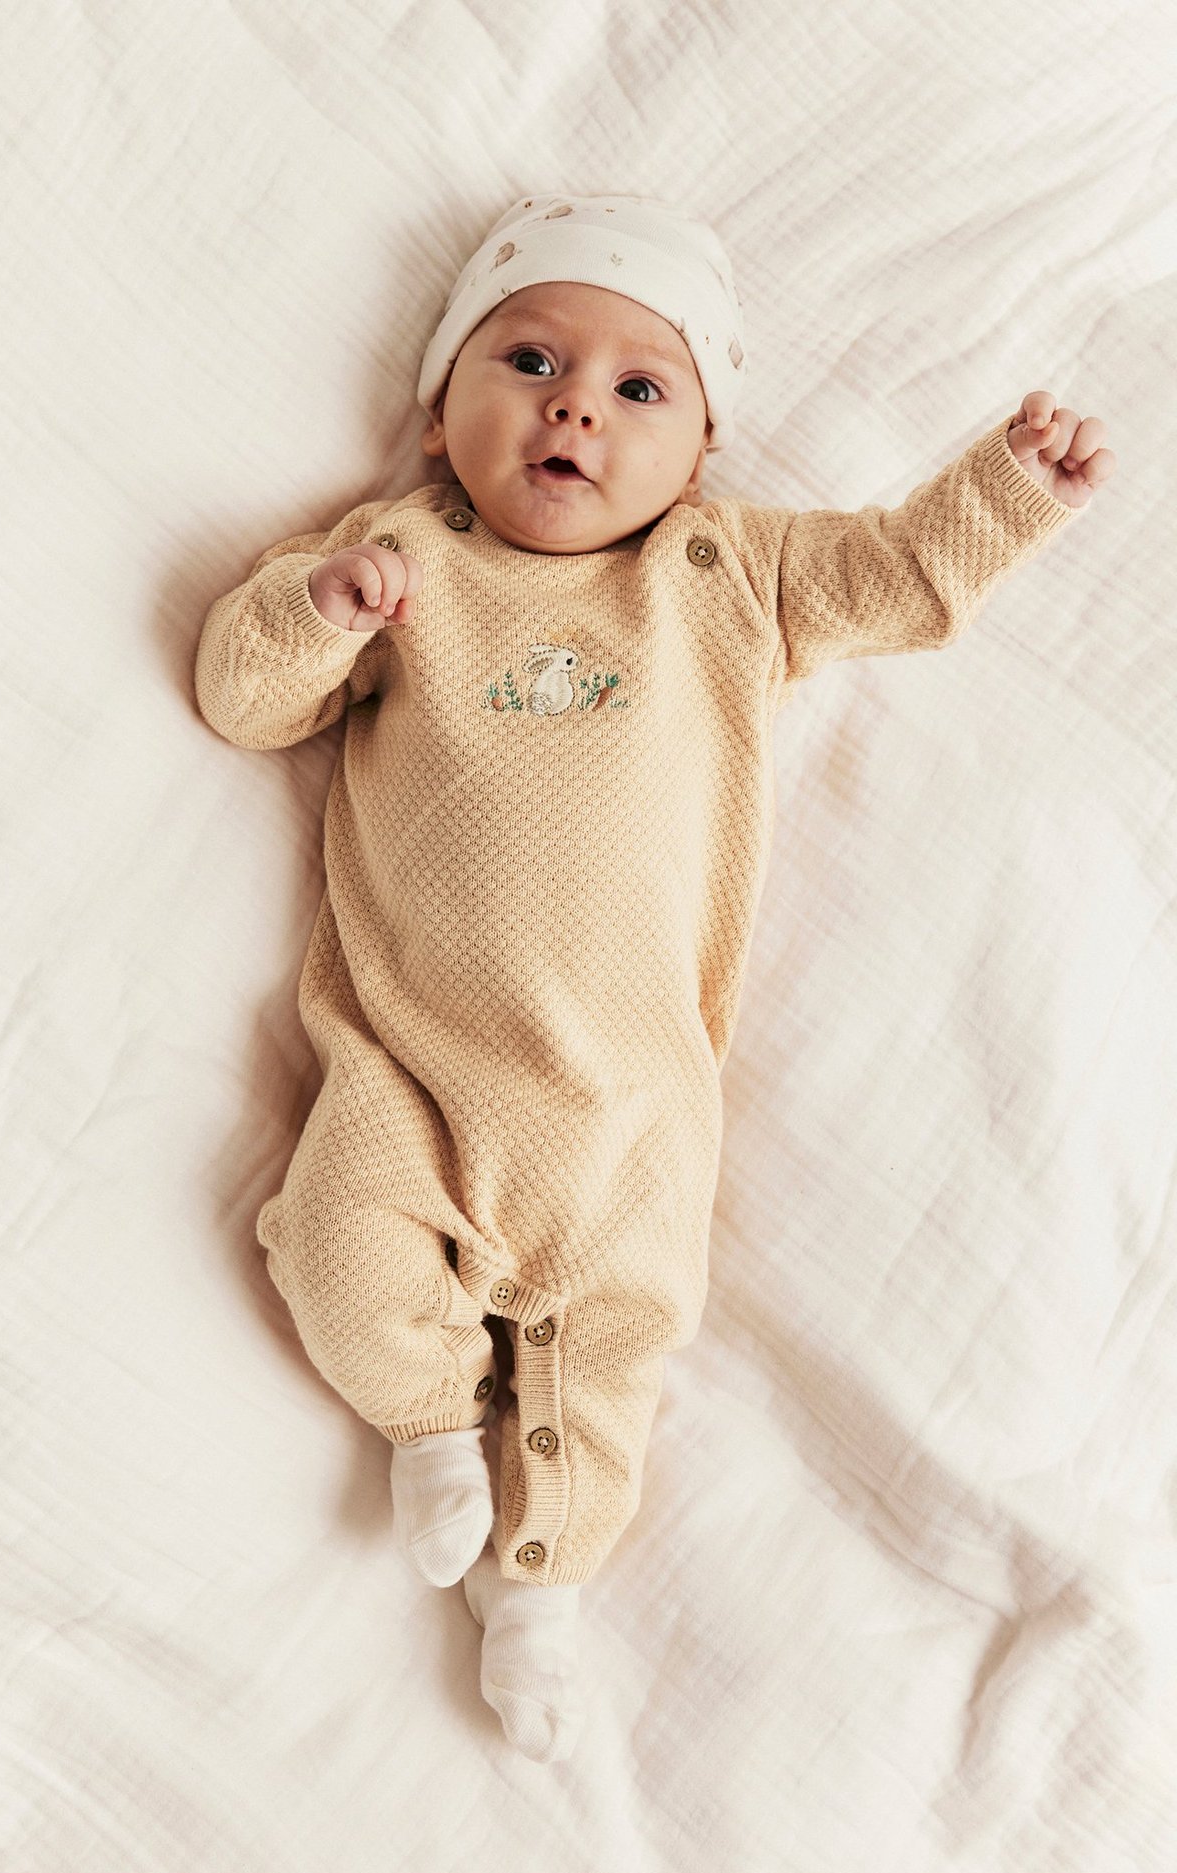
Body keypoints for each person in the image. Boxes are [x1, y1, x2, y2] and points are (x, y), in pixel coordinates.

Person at [193, 192, 1115, 1763]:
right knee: (332, 1245)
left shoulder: (724, 572)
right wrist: (308, 612)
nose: (574, 407)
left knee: (614, 1339)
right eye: (530, 359)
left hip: (632, 1096)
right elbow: (242, 699)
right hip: (409, 1064)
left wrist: (1006, 491)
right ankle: (426, 1421)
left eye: (639, 389)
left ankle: (540, 1585)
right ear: (439, 411)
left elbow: (899, 576)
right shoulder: (401, 559)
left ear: (700, 453)